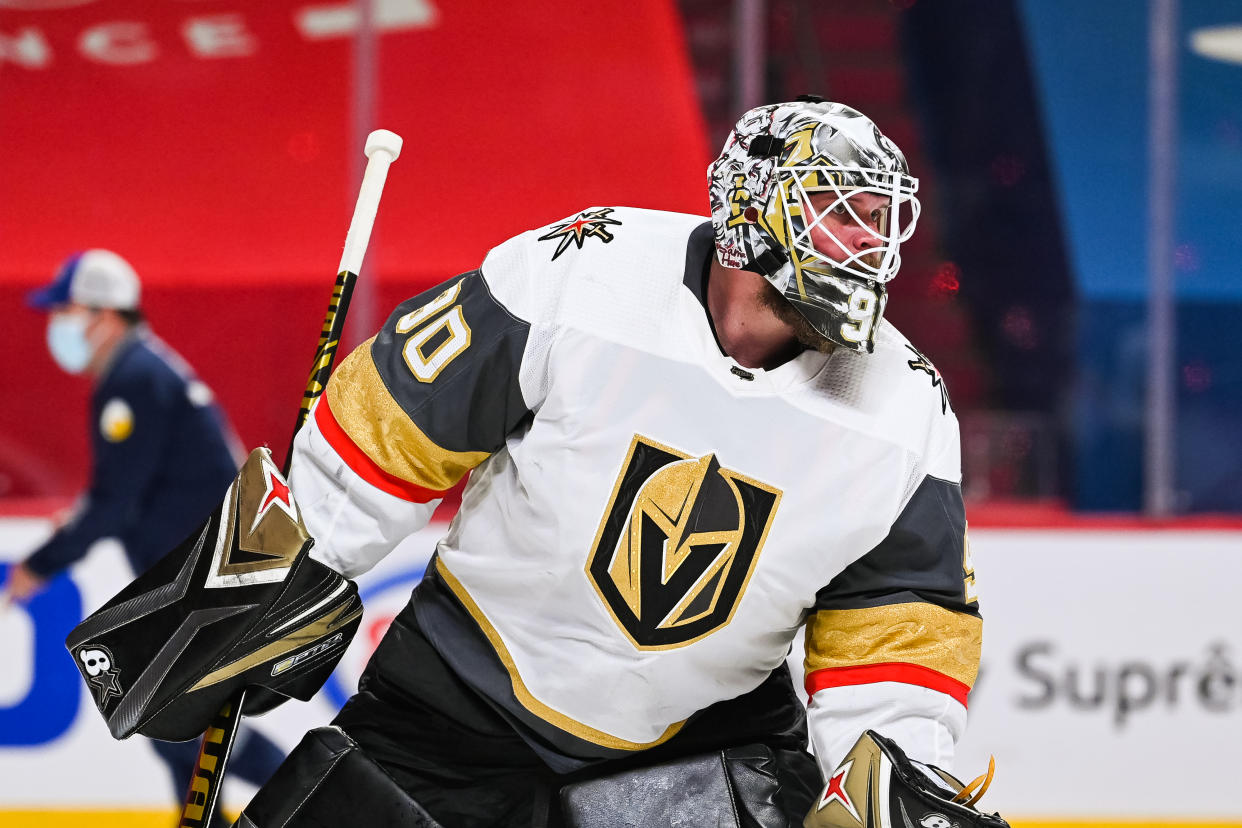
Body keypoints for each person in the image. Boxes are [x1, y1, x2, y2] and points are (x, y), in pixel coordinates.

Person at [241, 98, 997, 827]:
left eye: (876, 220)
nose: (867, 246)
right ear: (752, 213)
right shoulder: (587, 270)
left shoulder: (906, 406)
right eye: (839, 214)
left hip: (704, 742)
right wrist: (274, 577)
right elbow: (397, 424)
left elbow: (900, 632)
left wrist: (893, 767)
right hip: (452, 708)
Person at [3, 249, 286, 821]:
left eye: (65, 310)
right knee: (177, 721)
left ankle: (325, 798)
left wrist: (42, 563)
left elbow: (116, 502)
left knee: (178, 719)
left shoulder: (129, 381)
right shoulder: (147, 369)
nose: (56, 325)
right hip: (216, 572)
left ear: (103, 315)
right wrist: (90, 519)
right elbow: (138, 489)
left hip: (204, 582)